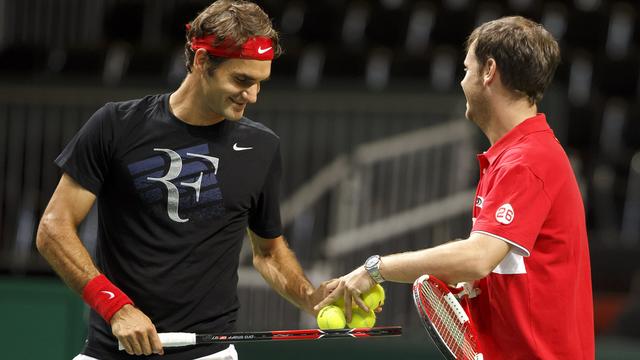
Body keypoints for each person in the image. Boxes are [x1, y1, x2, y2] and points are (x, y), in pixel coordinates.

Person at [36, 1, 329, 359]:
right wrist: (115, 307)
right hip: (109, 350)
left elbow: (268, 253)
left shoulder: (261, 146)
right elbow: (53, 228)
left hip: (210, 354)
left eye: (260, 83)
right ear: (203, 61)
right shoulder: (115, 125)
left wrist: (311, 298)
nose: (252, 96)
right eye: (242, 80)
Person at [315, 16, 594, 359]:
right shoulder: (515, 157)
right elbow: (497, 270)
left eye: (467, 69)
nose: (463, 82)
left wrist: (374, 269)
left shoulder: (527, 161)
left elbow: (478, 257)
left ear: (489, 71)